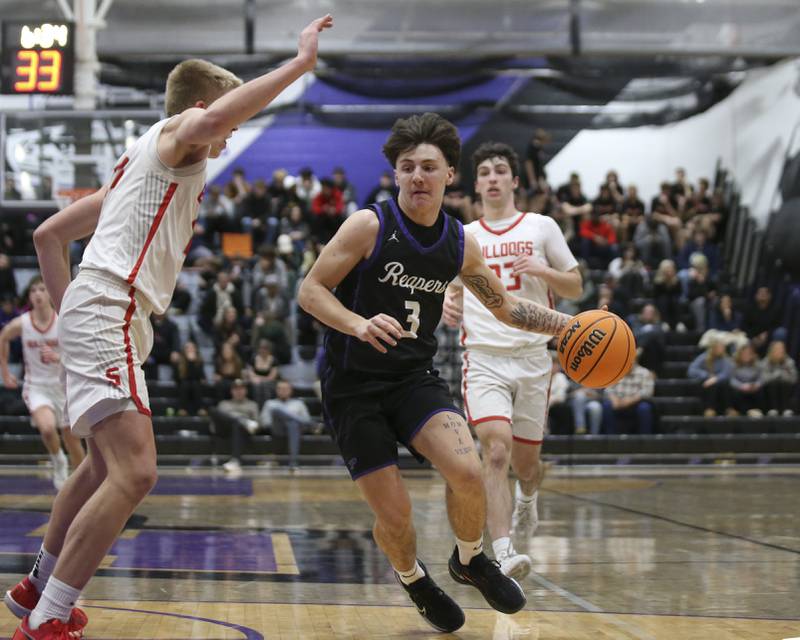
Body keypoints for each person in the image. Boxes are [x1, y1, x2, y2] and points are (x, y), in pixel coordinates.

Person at [4, 15, 333, 639]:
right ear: (204, 109)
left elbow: (49, 236)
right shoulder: (176, 138)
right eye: (230, 125)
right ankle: (46, 621)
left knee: (102, 469)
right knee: (136, 473)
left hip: (100, 310)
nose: (229, 139)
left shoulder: (138, 168)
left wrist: (73, 313)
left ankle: (38, 587)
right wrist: (297, 67)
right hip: (110, 308)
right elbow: (206, 123)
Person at [298, 113, 574, 633]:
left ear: (450, 175)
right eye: (408, 167)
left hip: (412, 379)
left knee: (469, 472)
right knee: (397, 516)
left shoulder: (459, 243)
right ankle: (411, 577)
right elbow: (310, 290)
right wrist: (357, 324)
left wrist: (572, 324)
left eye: (429, 167)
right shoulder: (368, 225)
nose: (418, 176)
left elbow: (507, 308)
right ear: (396, 175)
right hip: (353, 387)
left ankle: (468, 560)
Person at [441, 141, 582, 580]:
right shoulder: (464, 236)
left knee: (526, 466)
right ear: (475, 184)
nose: (493, 178)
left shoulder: (541, 226)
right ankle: (502, 552)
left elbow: (575, 287)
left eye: (501, 170)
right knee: (496, 451)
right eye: (484, 172)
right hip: (483, 358)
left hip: (534, 358)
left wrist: (543, 271)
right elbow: (447, 287)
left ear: (515, 181)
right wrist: (447, 300)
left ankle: (528, 499)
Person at [0, 276, 85, 490]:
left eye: (41, 289)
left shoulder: (62, 321)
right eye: (33, 291)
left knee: (72, 439)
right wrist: (5, 371)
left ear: (49, 294)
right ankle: (58, 461)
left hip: (63, 387)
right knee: (47, 429)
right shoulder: (23, 322)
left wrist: (59, 357)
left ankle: (85, 483)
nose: (37, 294)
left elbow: (80, 354)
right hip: (36, 386)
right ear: (29, 296)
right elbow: (3, 337)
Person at [210, 378, 261, 476]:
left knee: (237, 425)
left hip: (243, 431)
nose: (239, 392)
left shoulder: (252, 405)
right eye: (236, 389)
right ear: (231, 391)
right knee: (212, 410)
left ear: (246, 391)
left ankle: (235, 461)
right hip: (224, 429)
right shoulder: (224, 404)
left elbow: (257, 425)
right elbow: (215, 424)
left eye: (241, 389)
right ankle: (241, 421)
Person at [260, 379, 313, 470]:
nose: (283, 391)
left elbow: (307, 419)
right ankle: (294, 462)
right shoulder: (270, 403)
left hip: (295, 430)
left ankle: (293, 462)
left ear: (291, 390)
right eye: (281, 388)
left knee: (292, 424)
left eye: (286, 388)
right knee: (276, 410)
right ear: (276, 390)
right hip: (277, 430)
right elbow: (265, 423)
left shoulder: (298, 403)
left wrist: (289, 420)